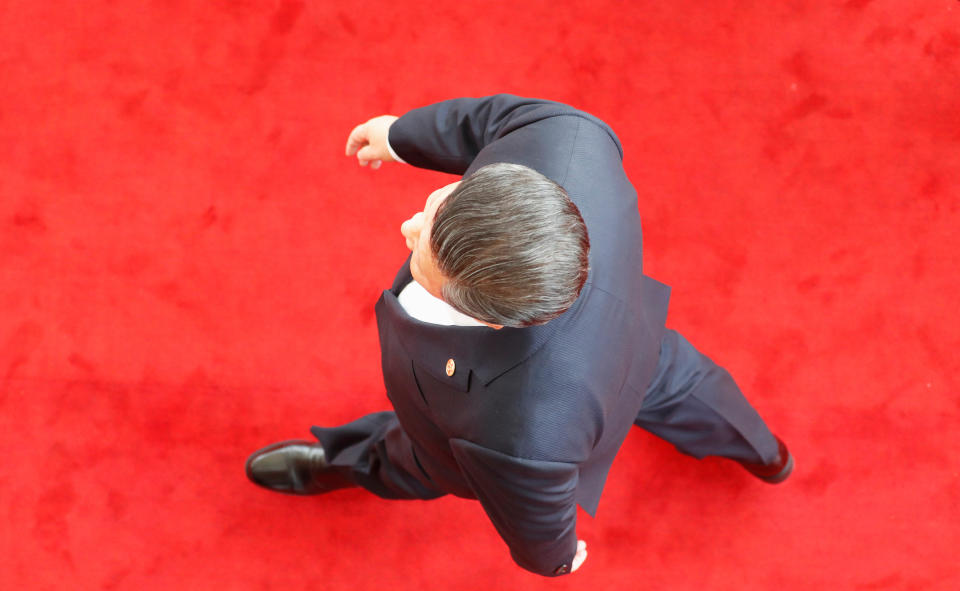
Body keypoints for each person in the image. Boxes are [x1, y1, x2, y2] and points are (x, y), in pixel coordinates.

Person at [244, 95, 793, 577]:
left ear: (488, 322)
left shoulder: (516, 433)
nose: (409, 226)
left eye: (423, 253)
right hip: (634, 336)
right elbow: (495, 119)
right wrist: (400, 136)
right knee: (687, 383)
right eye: (440, 206)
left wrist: (552, 558)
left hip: (542, 401)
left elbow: (535, 506)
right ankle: (767, 454)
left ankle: (351, 461)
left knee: (412, 458)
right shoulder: (568, 139)